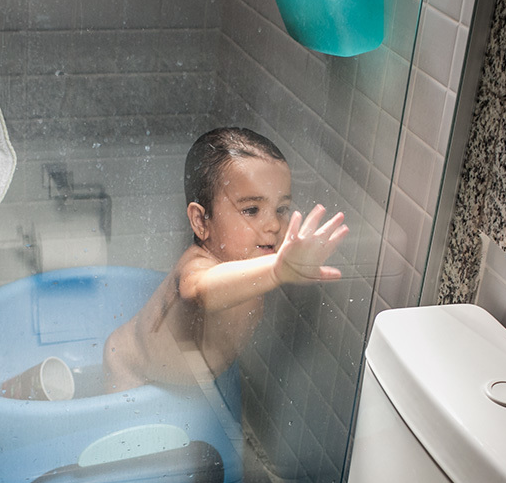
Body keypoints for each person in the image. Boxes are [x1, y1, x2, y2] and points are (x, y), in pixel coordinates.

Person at [101, 127, 348, 393]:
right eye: (251, 210)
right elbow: (199, 290)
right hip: (131, 370)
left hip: (184, 379)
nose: (274, 224)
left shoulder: (256, 261)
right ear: (200, 221)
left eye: (281, 209)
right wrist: (278, 271)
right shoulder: (197, 266)